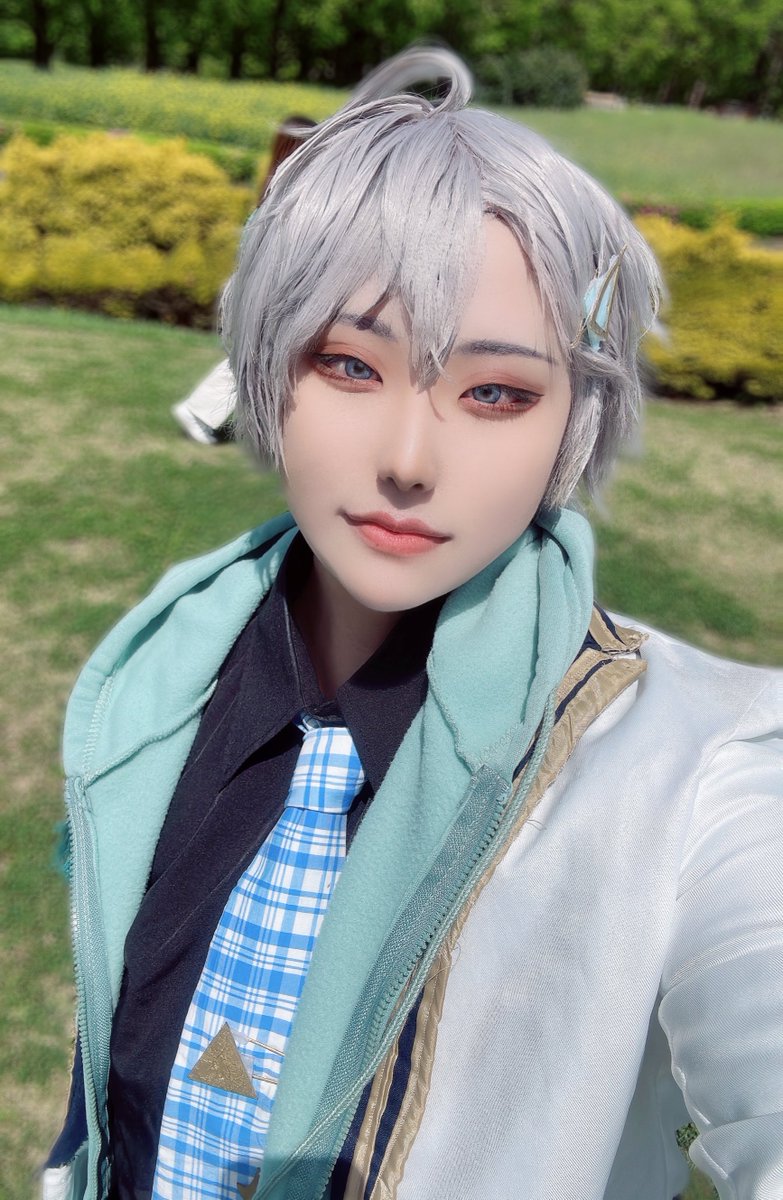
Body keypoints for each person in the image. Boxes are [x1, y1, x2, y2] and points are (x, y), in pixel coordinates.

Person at [44, 46, 781, 1200]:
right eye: (349, 364)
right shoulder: (164, 679)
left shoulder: (694, 770)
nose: (407, 458)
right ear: (266, 367)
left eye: (495, 392)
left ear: (573, 417)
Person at [171, 116, 316, 445]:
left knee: (262, 361)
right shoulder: (288, 198)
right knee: (252, 362)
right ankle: (198, 411)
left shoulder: (274, 192)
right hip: (263, 291)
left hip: (253, 287)